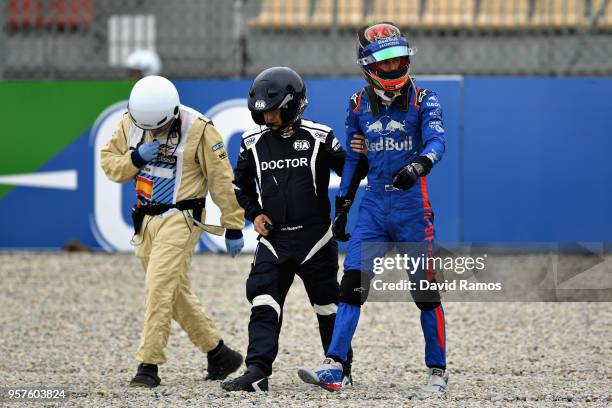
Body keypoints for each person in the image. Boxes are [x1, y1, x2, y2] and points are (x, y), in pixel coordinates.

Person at [298, 22, 449, 393]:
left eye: (399, 58)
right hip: (374, 207)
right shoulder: (357, 105)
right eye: (385, 61)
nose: (394, 67)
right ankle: (335, 365)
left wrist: (418, 166)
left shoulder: (424, 99)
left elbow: (437, 142)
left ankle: (437, 370)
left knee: (424, 292)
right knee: (351, 286)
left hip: (414, 208)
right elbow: (353, 158)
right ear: (368, 64)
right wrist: (344, 206)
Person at [221, 67, 365, 392]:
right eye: (263, 113)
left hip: (316, 240)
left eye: (273, 111)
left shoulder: (320, 136)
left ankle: (339, 368)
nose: (268, 118)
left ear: (294, 105)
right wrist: (254, 214)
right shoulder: (251, 144)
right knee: (262, 300)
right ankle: (256, 373)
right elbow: (240, 185)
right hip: (274, 241)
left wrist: (363, 154)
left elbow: (352, 172)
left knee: (327, 306)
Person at [100, 75, 246, 387]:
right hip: (145, 219)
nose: (151, 131)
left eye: (159, 126)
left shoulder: (201, 129)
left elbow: (221, 179)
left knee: (157, 287)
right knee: (172, 290)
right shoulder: (130, 121)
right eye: (145, 126)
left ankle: (148, 364)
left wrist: (233, 224)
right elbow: (109, 163)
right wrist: (136, 158)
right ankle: (219, 353)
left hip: (182, 217)